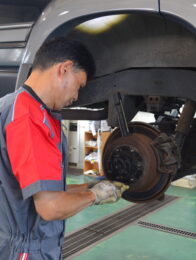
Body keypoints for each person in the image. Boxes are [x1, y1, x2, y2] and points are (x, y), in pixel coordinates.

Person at [0, 37, 129, 260]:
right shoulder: (30, 117)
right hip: (25, 252)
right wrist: (94, 196)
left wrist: (85, 187)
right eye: (79, 86)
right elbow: (50, 207)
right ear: (64, 69)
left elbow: (31, 191)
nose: (76, 97)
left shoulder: (13, 104)